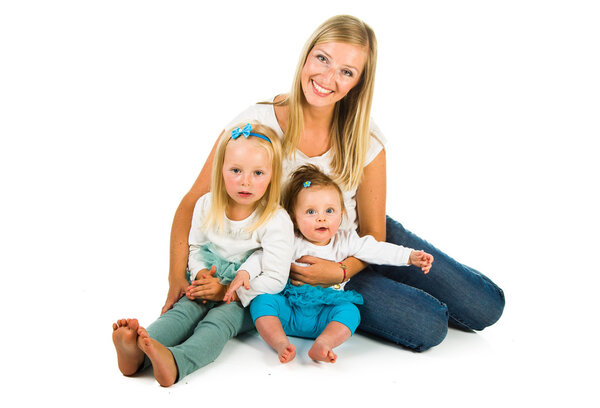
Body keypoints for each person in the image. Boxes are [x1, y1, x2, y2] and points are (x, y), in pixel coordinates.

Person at [162, 14, 505, 354]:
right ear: (307, 55)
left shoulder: (365, 138)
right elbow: (196, 200)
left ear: (358, 83)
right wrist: (176, 277)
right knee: (430, 324)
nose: (328, 78)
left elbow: (373, 233)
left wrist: (341, 268)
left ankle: (410, 278)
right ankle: (393, 289)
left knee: (487, 307)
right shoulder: (257, 123)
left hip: (354, 238)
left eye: (347, 72)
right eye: (323, 59)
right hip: (299, 260)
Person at [112, 123, 294, 386]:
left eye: (258, 173)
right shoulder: (207, 204)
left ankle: (177, 363)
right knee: (183, 311)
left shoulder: (276, 219)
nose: (245, 181)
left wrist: (226, 290)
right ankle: (138, 352)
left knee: (218, 323)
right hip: (208, 278)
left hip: (246, 294)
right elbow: (196, 247)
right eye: (236, 170)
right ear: (221, 170)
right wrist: (200, 274)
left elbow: (276, 277)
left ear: (272, 175)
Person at [230, 164, 434, 364]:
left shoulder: (345, 240)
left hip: (325, 313)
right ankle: (280, 343)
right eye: (310, 212)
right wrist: (245, 273)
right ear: (294, 217)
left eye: (329, 210)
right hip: (289, 309)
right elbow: (263, 256)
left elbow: (378, 249)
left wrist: (410, 256)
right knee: (262, 303)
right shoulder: (289, 239)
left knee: (350, 312)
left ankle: (324, 343)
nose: (321, 218)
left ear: (342, 213)